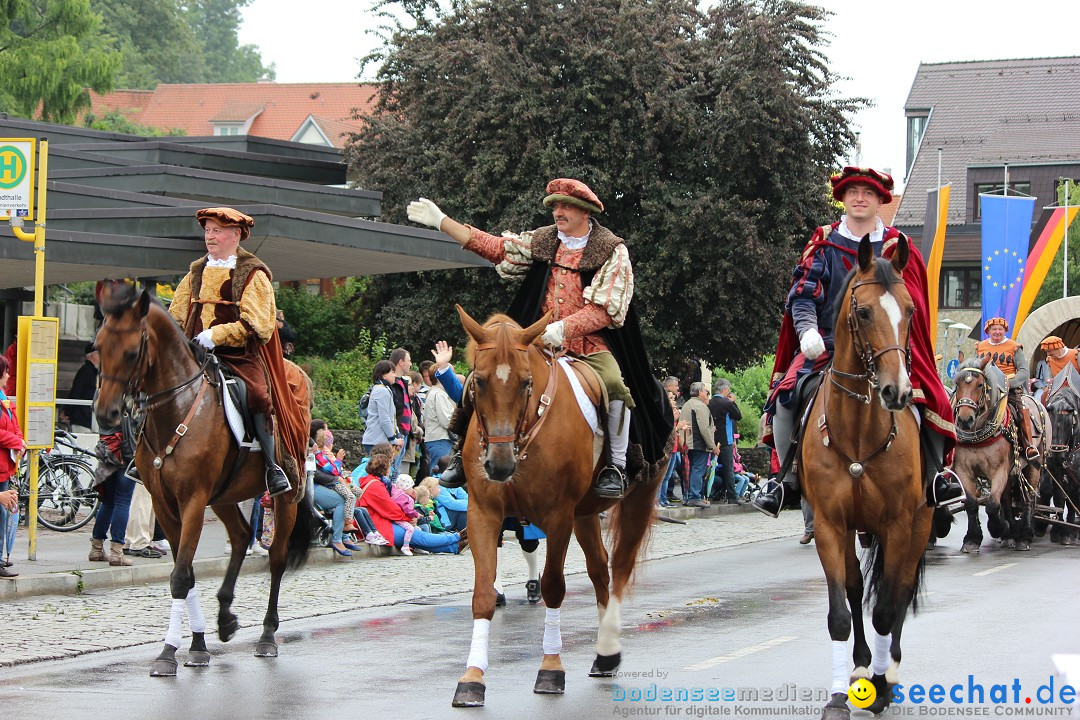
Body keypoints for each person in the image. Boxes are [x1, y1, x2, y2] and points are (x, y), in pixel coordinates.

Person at [408, 178, 671, 498]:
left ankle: (614, 465)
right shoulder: (544, 240)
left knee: (615, 385)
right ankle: (463, 453)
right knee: (483, 376)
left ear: (585, 212)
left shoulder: (612, 249)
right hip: (535, 340)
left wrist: (565, 328)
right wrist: (443, 222)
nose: (557, 212)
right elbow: (497, 249)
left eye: (565, 206)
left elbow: (607, 309)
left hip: (587, 345)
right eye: (555, 207)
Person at [755, 166, 962, 516]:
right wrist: (806, 330)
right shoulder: (824, 241)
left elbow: (910, 305)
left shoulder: (897, 245)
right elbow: (803, 294)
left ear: (880, 200)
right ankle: (786, 479)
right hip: (827, 345)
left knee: (931, 396)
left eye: (868, 193)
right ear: (844, 198)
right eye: (853, 192)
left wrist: (900, 344)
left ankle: (935, 476)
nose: (860, 198)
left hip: (888, 343)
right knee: (785, 397)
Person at [167, 207, 295, 497]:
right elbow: (175, 314)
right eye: (207, 231)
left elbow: (258, 324)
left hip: (237, 356)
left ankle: (272, 467)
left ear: (235, 234)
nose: (209, 237)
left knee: (259, 395)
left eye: (216, 231)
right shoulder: (196, 270)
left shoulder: (253, 273)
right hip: (194, 353)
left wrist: (218, 334)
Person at [976, 318, 1039, 459]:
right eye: (994, 329)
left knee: (1020, 410)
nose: (997, 332)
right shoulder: (981, 346)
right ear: (988, 331)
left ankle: (1028, 445)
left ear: (1005, 331)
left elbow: (1023, 371)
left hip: (1007, 388)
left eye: (1000, 329)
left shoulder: (1014, 347)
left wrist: (1011, 383)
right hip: (985, 389)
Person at [0, 355, 26, 578]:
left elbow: (14, 426)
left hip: (6, 465)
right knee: (1, 512)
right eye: (6, 371)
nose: (8, 375)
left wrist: (20, 440)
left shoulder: (5, 400)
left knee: (5, 514)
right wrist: (16, 441)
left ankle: (1, 556)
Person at [708, 378, 742, 504]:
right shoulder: (727, 403)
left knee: (710, 468)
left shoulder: (709, 403)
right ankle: (732, 496)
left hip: (711, 440)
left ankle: (710, 493)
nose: (729, 392)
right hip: (725, 441)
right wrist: (733, 402)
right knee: (728, 470)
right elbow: (738, 416)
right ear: (724, 389)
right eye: (728, 389)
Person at [362, 360, 405, 455]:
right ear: (383, 374)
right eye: (392, 372)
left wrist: (396, 437)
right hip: (377, 442)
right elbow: (384, 419)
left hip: (379, 441)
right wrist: (394, 440)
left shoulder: (384, 389)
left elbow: (391, 419)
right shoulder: (381, 390)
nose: (394, 375)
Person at [58, 343, 98, 433]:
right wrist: (67, 411)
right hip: (82, 418)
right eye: (98, 353)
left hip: (88, 418)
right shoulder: (86, 371)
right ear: (91, 355)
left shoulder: (92, 371)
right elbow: (76, 391)